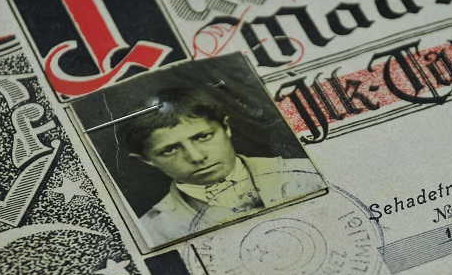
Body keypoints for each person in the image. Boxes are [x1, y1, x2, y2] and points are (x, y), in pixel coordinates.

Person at [118, 87, 325, 246]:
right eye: (170, 150)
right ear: (146, 160)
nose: (197, 157)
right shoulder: (151, 230)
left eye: (203, 137)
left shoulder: (309, 173)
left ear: (225, 128)